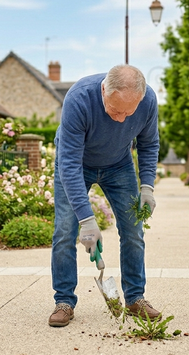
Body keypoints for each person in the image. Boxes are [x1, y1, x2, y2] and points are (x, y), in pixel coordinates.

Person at [49, 64, 159, 327]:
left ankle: (135, 298)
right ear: (103, 92)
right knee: (65, 230)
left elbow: (148, 143)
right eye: (114, 110)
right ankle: (64, 300)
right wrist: (86, 221)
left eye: (127, 113)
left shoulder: (148, 101)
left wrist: (147, 187)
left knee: (133, 231)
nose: (121, 119)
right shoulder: (79, 99)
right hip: (77, 164)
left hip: (119, 166)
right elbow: (69, 165)